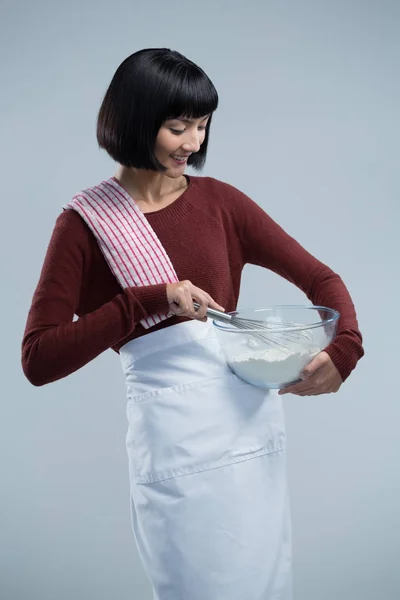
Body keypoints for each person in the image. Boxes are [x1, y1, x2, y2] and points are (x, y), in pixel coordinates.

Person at [22, 48, 364, 600]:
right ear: (133, 121)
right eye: (177, 126)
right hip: (175, 451)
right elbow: (38, 359)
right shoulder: (84, 225)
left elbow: (322, 279)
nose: (194, 143)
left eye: (202, 125)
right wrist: (148, 300)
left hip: (250, 438)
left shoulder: (221, 203)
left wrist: (345, 351)